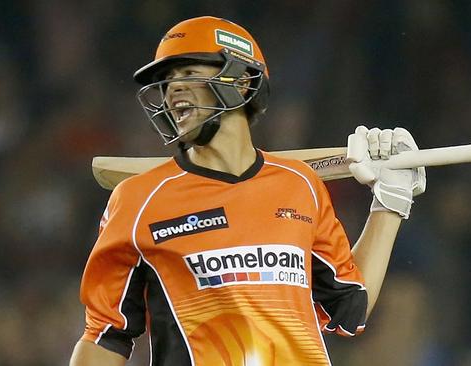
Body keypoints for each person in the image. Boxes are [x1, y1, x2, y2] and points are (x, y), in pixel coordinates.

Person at [69, 16, 425, 366]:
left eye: (189, 73)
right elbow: (105, 336)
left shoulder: (300, 186)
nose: (173, 88)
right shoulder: (138, 201)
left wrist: (390, 201)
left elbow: (349, 309)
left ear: (240, 82)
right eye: (167, 80)